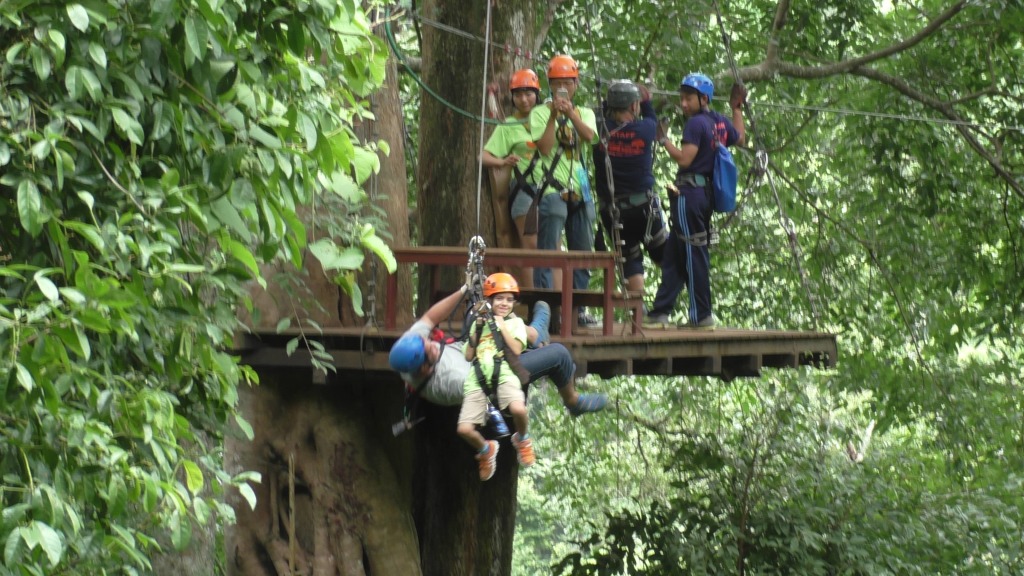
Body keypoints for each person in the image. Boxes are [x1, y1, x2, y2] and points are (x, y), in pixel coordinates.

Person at [388, 277, 607, 429]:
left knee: (499, 320)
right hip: (493, 374)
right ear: (425, 368)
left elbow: (429, 318)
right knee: (559, 354)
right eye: (430, 350)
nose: (431, 344)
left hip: (470, 354)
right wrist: (507, 340)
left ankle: (534, 334)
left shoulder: (409, 345)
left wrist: (464, 290)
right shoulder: (450, 381)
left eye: (427, 342)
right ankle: (573, 401)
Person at [646, 73, 746, 329]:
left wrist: (663, 139)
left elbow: (684, 159)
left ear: (703, 99)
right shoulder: (719, 122)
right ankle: (660, 312)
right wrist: (736, 109)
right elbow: (740, 137)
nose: (684, 104)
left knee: (692, 253)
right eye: (682, 98)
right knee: (675, 253)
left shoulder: (696, 124)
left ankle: (701, 315)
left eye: (689, 98)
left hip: (688, 196)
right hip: (703, 196)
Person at [530, 54, 601, 329]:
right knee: (548, 252)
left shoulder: (584, 113)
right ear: (549, 85)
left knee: (582, 250)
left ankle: (579, 309)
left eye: (567, 83)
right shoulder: (539, 113)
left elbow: (590, 138)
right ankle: (546, 312)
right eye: (557, 84)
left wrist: (570, 113)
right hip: (552, 188)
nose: (563, 89)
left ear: (575, 84)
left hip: (579, 189)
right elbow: (545, 148)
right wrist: (552, 116)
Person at [592, 79, 668, 295]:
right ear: (634, 106)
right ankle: (664, 306)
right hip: (643, 207)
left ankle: (638, 310)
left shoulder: (599, 129)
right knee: (664, 254)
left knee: (630, 258)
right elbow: (652, 117)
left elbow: (600, 114)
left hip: (613, 211)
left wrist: (607, 102)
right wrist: (646, 101)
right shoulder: (646, 128)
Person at [457, 273, 533, 480]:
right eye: (499, 298)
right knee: (464, 429)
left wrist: (500, 326)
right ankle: (485, 449)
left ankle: (523, 438)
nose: (504, 303)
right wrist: (478, 327)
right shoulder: (479, 323)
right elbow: (468, 355)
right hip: (478, 379)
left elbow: (516, 349)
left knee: (519, 408)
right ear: (490, 300)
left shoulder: (515, 323)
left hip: (504, 374)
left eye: (509, 300)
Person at [482, 69, 544, 288]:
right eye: (518, 94)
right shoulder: (508, 125)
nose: (524, 99)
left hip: (550, 191)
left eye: (528, 93)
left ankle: (552, 302)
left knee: (551, 248)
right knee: (531, 247)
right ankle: (531, 299)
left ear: (537, 94)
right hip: (524, 192)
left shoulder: (547, 118)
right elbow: (484, 156)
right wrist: (503, 162)